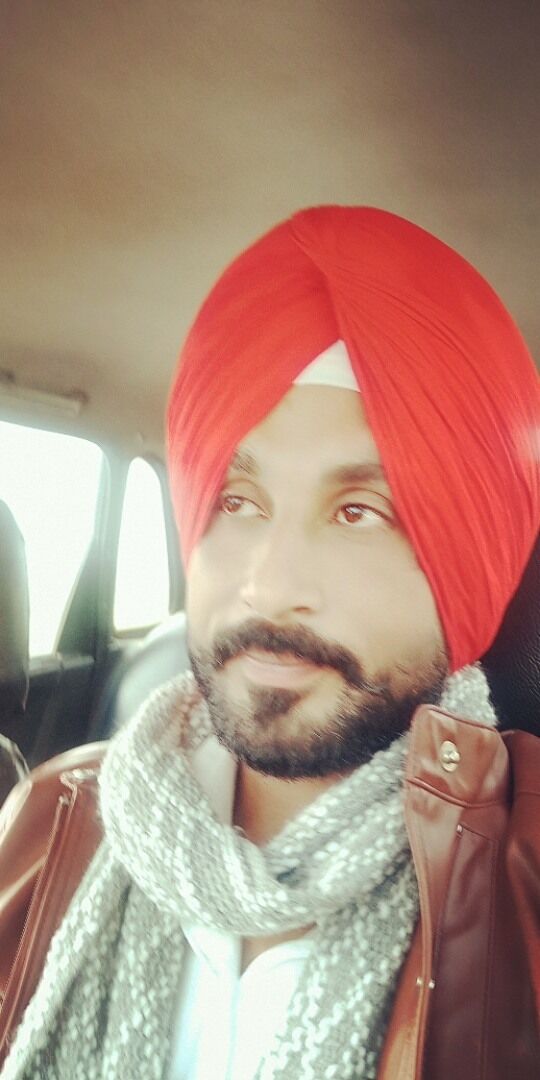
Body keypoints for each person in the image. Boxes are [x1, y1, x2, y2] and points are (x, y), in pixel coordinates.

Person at [0, 206, 539, 1079]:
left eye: (359, 512)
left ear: (463, 567)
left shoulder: (524, 874)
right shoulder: (51, 817)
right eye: (237, 501)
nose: (269, 583)